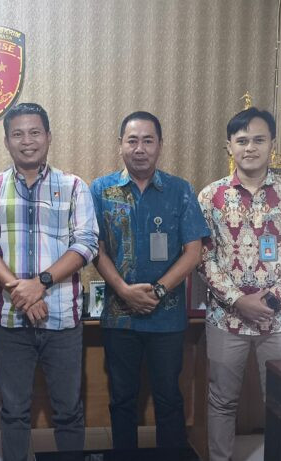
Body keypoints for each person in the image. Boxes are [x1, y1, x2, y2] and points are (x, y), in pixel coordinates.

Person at [0, 103, 98, 461]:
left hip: (63, 320)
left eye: (34, 132)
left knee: (69, 411)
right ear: (6, 141)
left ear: (48, 137)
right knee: (13, 412)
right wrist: (21, 291)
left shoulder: (74, 186)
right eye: (18, 134)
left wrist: (40, 284)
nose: (27, 141)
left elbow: (86, 244)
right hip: (11, 322)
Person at [198, 108, 281, 460]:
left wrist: (273, 300)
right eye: (242, 140)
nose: (250, 147)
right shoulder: (210, 196)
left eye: (259, 140)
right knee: (221, 400)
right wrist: (238, 300)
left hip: (280, 321)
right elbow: (203, 258)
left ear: (272, 144)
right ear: (229, 146)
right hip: (226, 319)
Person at [90, 111, 208, 449]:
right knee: (122, 398)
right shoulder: (101, 190)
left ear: (159, 145)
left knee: (169, 397)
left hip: (166, 317)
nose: (139, 148)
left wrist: (157, 290)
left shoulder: (179, 190)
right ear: (121, 145)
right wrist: (124, 290)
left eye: (147, 140)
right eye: (132, 140)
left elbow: (193, 252)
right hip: (119, 316)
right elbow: (94, 248)